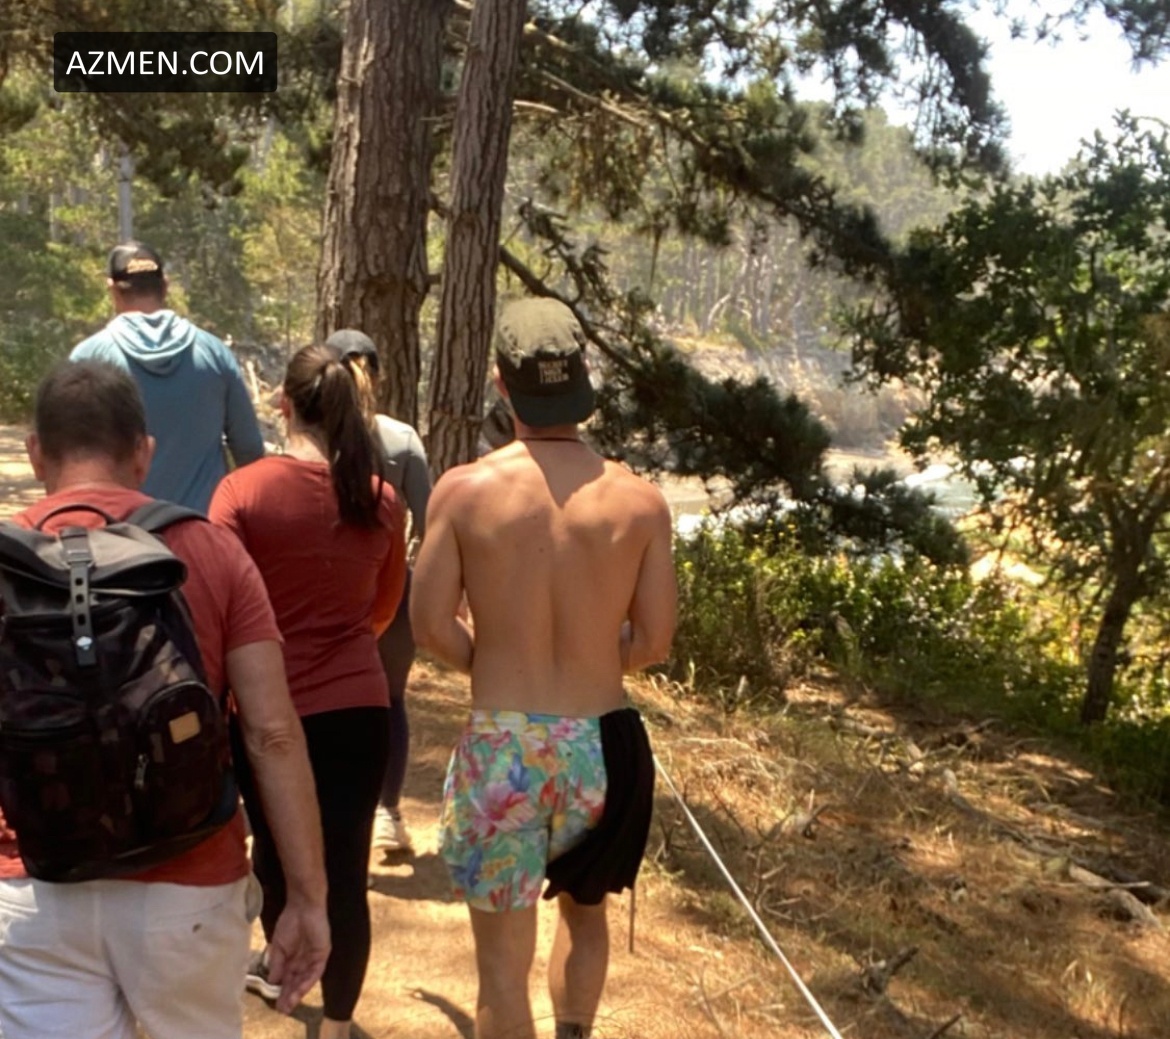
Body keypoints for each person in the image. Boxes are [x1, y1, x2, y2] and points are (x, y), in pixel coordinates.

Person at [0, 360, 329, 1039]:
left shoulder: (7, 561)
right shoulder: (211, 552)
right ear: (143, 452)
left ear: (35, 453)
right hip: (190, 883)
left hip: (31, 884)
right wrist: (307, 896)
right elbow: (271, 734)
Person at [411, 297, 678, 1039]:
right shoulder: (640, 501)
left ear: (502, 382)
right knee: (585, 917)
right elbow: (654, 639)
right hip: (600, 745)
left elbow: (429, 625)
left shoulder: (464, 491)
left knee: (501, 968)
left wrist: (493, 661)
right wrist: (592, 654)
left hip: (503, 745)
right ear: (582, 378)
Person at [210, 344, 406, 1039]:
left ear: (283, 404)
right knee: (346, 870)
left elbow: (217, 605)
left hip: (266, 708)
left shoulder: (241, 493)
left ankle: (289, 980)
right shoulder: (381, 501)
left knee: (276, 855)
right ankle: (339, 1023)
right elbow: (383, 609)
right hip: (358, 709)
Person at [326, 328, 432, 854]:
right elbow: (431, 523)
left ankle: (327, 809)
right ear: (380, 376)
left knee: (321, 700)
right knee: (389, 700)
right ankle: (386, 811)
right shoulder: (402, 439)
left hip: (323, 590)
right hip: (390, 589)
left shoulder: (312, 438)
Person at [71, 240, 265, 513]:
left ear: (112, 290)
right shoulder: (214, 353)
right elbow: (250, 450)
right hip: (202, 529)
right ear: (165, 286)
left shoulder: (88, 359)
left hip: (120, 532)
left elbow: (69, 461)